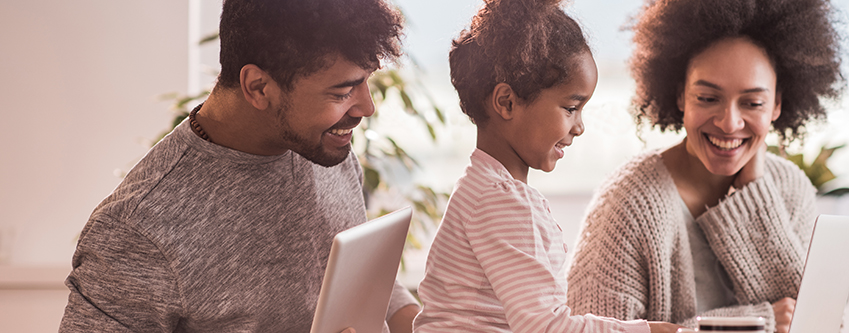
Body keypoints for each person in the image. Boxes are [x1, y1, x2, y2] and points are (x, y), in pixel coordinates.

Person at [59, 0, 420, 332]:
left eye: (366, 82)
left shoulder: (321, 145)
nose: (366, 107)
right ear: (259, 87)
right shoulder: (139, 229)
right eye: (343, 91)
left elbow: (356, 284)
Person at [565, 0, 846, 332]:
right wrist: (757, 323)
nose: (729, 123)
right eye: (708, 98)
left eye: (753, 103)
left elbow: (816, 324)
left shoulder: (790, 188)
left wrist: (753, 197)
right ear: (681, 95)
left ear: (777, 104)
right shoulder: (628, 201)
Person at [410, 0, 683, 332]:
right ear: (506, 102)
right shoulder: (503, 202)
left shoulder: (482, 187)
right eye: (571, 107)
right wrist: (648, 331)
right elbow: (547, 327)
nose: (579, 126)